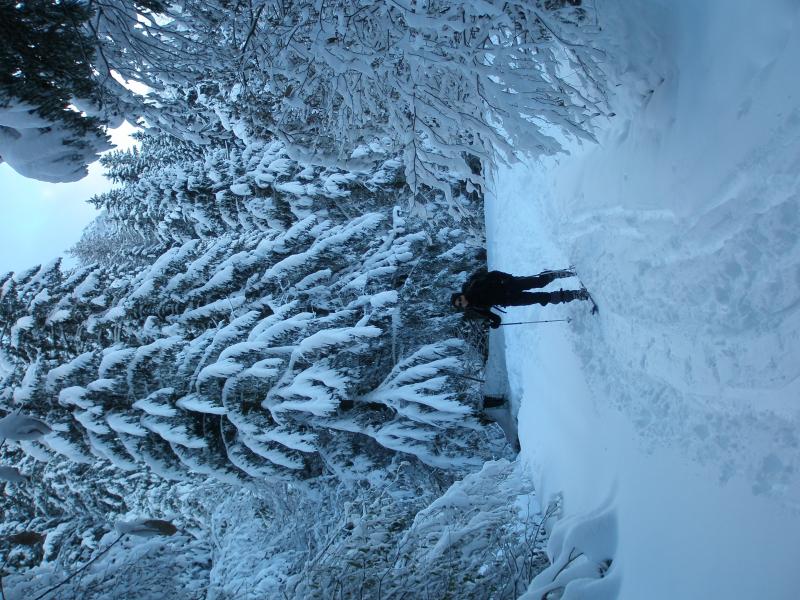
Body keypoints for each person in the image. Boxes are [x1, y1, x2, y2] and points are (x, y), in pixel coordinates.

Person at [450, 268, 590, 328]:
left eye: (459, 299)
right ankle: (576, 295)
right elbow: (496, 318)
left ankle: (561, 273)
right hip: (512, 300)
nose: (462, 302)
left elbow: (493, 274)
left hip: (511, 284)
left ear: (461, 295)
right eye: (460, 304)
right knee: (542, 298)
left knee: (540, 282)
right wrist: (495, 323)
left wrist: (508, 278)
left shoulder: (473, 286)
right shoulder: (476, 307)